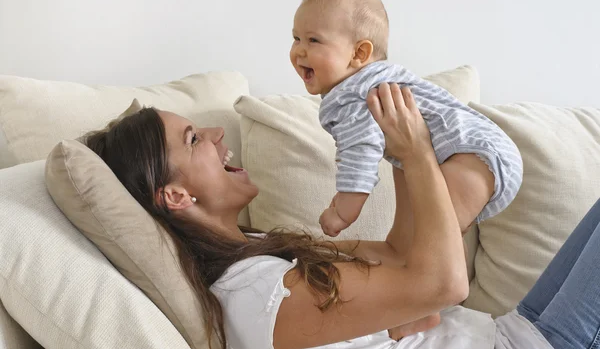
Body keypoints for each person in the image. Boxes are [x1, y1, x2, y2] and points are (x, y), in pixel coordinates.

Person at [84, 83, 600, 349]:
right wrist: (418, 154)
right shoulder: (255, 296)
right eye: (194, 139)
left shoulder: (257, 251)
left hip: (513, 333)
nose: (217, 135)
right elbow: (444, 284)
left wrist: (397, 147)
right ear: (175, 197)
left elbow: (401, 254)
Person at [289, 0, 523, 238]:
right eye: (296, 38)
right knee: (419, 245)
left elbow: (360, 151)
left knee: (434, 242)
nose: (299, 49)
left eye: (313, 40)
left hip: (470, 153)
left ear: (359, 52)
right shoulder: (376, 79)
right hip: (480, 150)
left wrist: (342, 210)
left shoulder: (352, 94)